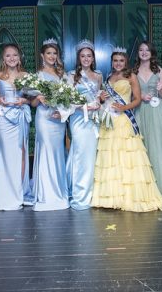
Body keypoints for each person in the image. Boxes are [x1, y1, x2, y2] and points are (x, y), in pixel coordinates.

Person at [91, 48, 162, 212]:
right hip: (110, 121)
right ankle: (112, 196)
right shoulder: (108, 77)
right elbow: (105, 99)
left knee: (127, 158)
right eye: (115, 60)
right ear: (112, 62)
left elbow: (138, 99)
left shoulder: (131, 76)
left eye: (121, 60)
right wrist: (100, 98)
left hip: (124, 120)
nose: (118, 63)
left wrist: (124, 107)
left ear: (125, 62)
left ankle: (129, 195)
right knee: (111, 157)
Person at [29, 39, 69, 211]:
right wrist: (38, 98)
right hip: (44, 118)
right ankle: (46, 194)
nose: (52, 56)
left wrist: (62, 110)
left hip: (57, 118)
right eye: (49, 53)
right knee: (46, 151)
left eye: (55, 53)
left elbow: (69, 98)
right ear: (42, 56)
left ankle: (58, 191)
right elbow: (32, 104)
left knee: (58, 153)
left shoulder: (63, 75)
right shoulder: (36, 76)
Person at [0, 44, 31, 211]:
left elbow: (32, 99)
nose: (12, 58)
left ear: (19, 57)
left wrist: (24, 100)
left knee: (21, 153)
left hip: (21, 116)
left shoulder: (26, 75)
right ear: (3, 58)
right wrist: (1, 100)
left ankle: (19, 193)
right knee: (7, 155)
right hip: (4, 118)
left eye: (15, 55)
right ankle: (6, 195)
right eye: (8, 55)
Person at [66, 39, 102, 210]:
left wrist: (98, 104)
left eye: (89, 56)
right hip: (79, 119)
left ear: (93, 58)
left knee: (92, 156)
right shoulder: (71, 75)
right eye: (83, 56)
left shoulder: (99, 75)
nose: (86, 59)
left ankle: (92, 193)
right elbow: (67, 102)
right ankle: (80, 196)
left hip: (94, 120)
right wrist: (85, 106)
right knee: (81, 155)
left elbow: (99, 98)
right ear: (78, 58)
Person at [133, 41, 162, 198]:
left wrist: (160, 89)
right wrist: (140, 96)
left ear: (152, 53)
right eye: (141, 50)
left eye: (147, 50)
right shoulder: (132, 71)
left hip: (156, 111)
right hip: (139, 110)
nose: (144, 52)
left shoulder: (159, 70)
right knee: (141, 148)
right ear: (138, 53)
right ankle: (143, 191)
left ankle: (159, 190)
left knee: (157, 147)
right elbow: (128, 94)